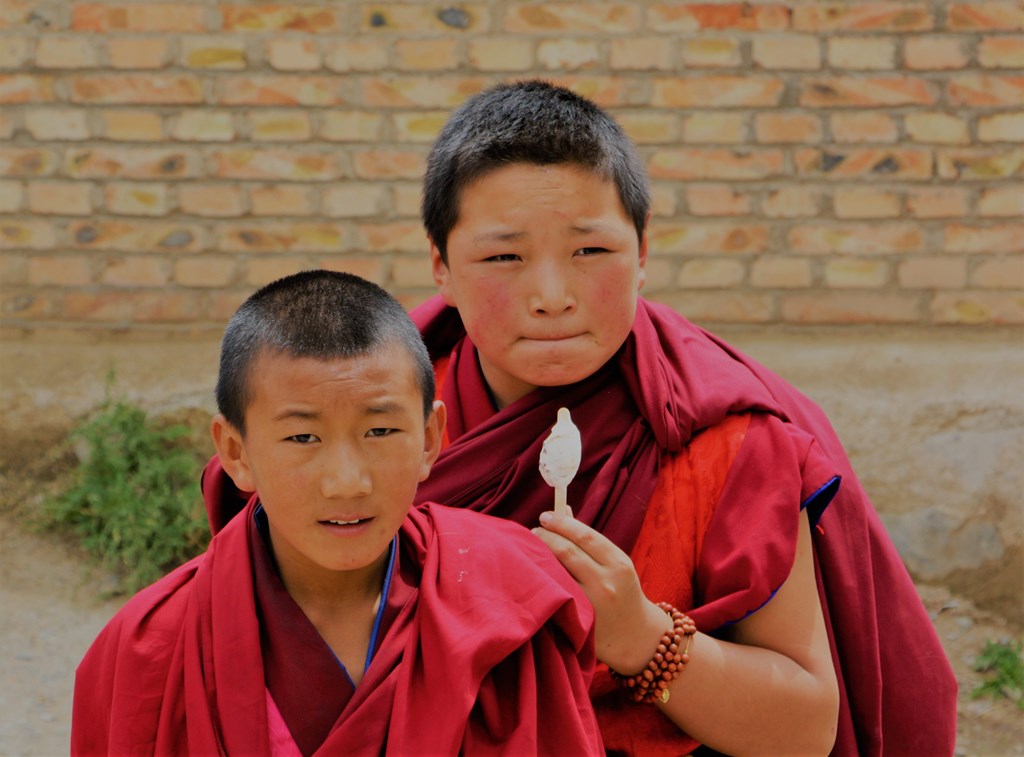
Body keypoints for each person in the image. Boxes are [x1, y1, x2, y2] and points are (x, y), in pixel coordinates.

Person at [202, 81, 958, 755]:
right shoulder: (373, 419)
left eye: (591, 249)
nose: (553, 294)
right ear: (439, 262)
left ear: (644, 248)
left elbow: (804, 728)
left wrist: (643, 637)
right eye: (504, 259)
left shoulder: (719, 436)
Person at [71, 269, 603, 756]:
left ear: (429, 440)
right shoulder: (150, 647)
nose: (348, 482)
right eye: (302, 436)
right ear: (236, 453)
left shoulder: (507, 603)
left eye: (380, 431)